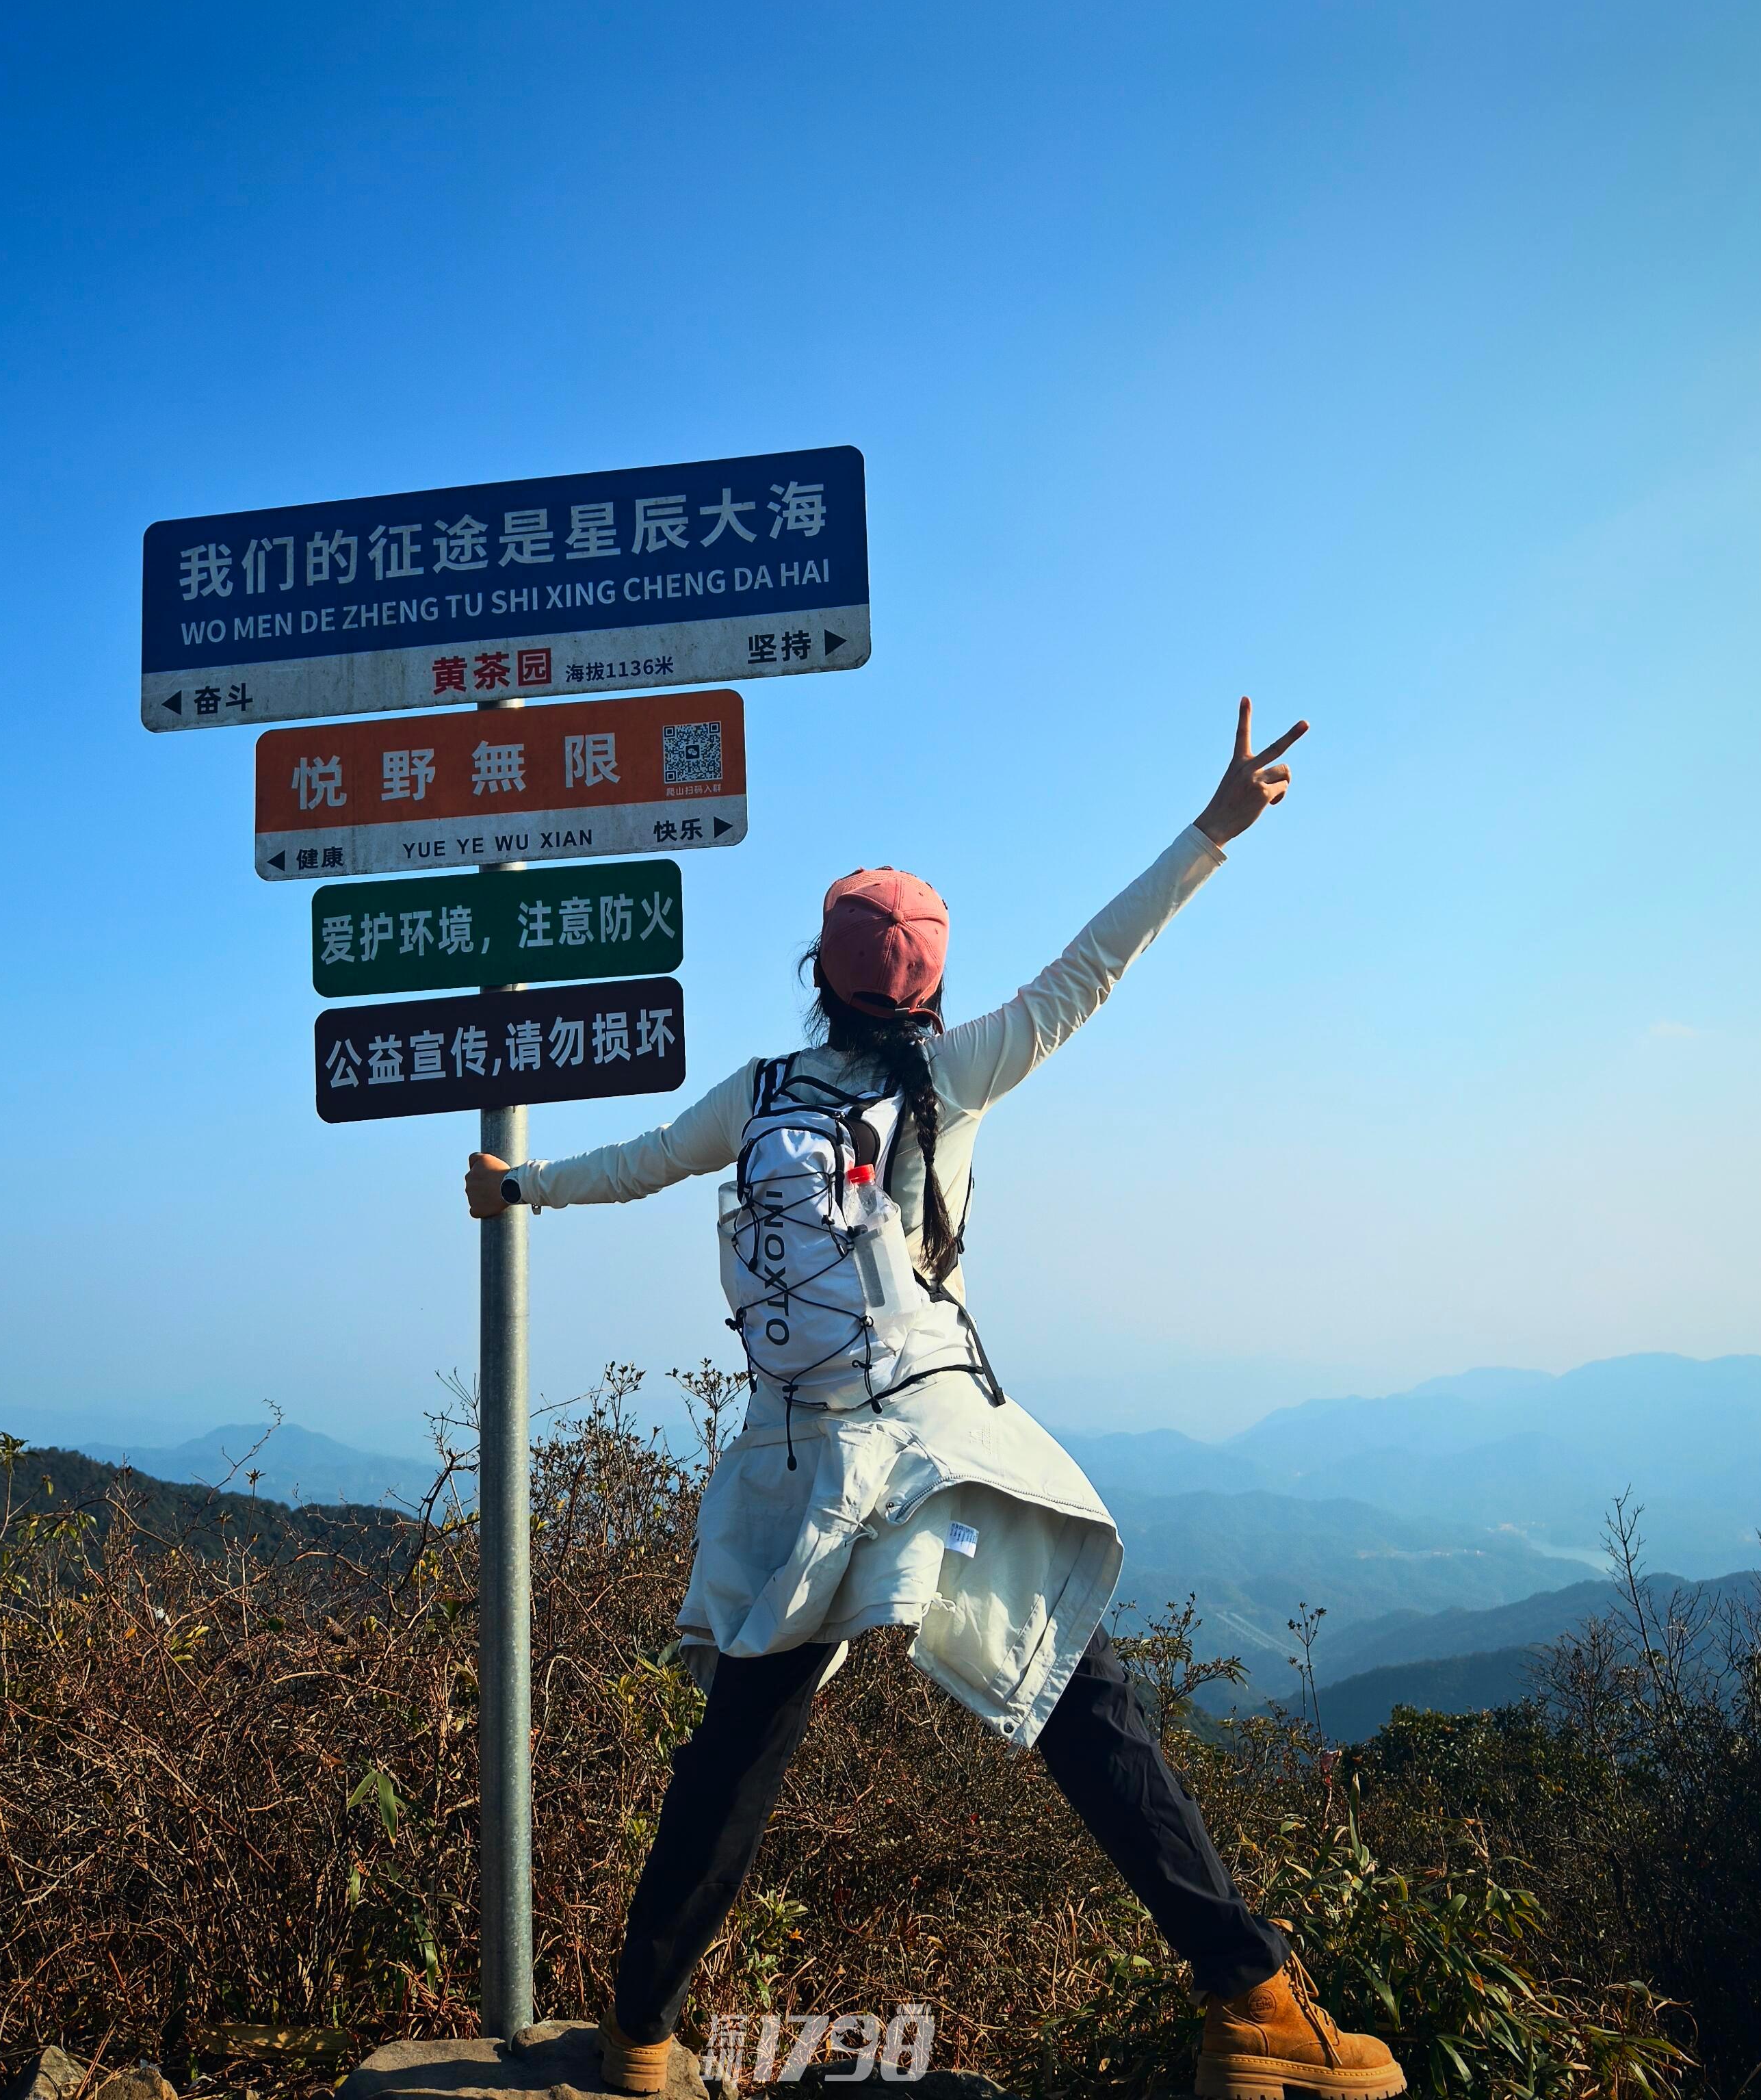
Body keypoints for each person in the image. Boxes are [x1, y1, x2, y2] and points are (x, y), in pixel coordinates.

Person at [466, 701, 1405, 2100]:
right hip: (931, 1460)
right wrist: (1213, 831)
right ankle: (1254, 2002)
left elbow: (649, 1158)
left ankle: (642, 2034)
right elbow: (1092, 970)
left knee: (738, 1752)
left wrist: (521, 1189)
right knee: (1078, 1697)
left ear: (820, 977)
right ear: (931, 988)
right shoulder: (953, 1078)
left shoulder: (762, 1092)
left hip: (799, 1470)